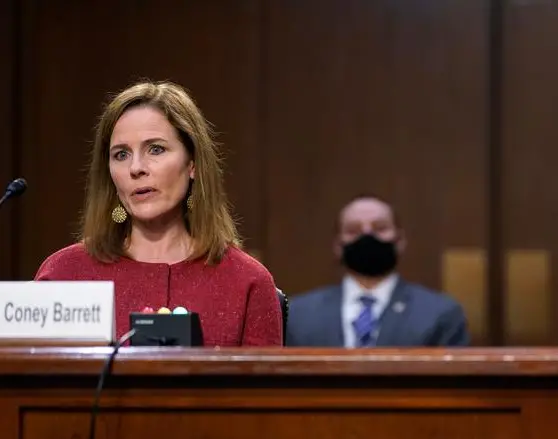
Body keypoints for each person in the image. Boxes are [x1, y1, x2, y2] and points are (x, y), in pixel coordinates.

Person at [35, 80, 283, 346]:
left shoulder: (247, 281)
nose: (136, 168)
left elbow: (264, 376)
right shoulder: (64, 274)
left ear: (192, 164)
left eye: (156, 149)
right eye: (121, 155)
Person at [285, 196, 470, 347]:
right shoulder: (298, 314)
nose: (367, 235)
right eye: (353, 230)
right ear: (337, 246)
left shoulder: (441, 313)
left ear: (400, 240)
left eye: (380, 228)